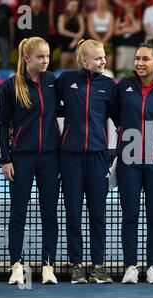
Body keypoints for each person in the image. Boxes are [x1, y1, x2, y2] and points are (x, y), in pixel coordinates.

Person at [0, 37, 60, 285]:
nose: (45, 61)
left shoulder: (54, 82)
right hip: (21, 159)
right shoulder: (10, 86)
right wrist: (5, 159)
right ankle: (16, 265)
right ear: (27, 58)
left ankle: (48, 266)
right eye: (40, 57)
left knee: (49, 214)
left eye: (47, 56)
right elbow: (3, 125)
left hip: (51, 159)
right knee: (18, 214)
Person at [55, 39, 117, 284]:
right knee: (73, 213)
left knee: (98, 214)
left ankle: (98, 266)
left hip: (98, 157)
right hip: (69, 158)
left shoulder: (108, 85)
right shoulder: (66, 81)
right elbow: (49, 107)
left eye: (104, 57)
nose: (103, 61)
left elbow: (119, 117)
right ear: (84, 60)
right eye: (98, 58)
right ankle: (77, 265)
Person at [114, 39, 153, 284]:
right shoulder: (123, 86)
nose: (139, 63)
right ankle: (130, 266)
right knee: (129, 215)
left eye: (145, 59)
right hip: (128, 161)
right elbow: (112, 112)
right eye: (137, 58)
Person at [57, 0, 85, 69]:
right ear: (67, 6)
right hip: (65, 45)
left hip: (76, 46)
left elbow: (82, 31)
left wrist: (75, 41)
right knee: (63, 67)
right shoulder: (62, 17)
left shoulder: (79, 17)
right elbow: (62, 31)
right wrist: (76, 36)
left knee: (76, 68)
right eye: (72, 5)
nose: (74, 8)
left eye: (76, 6)